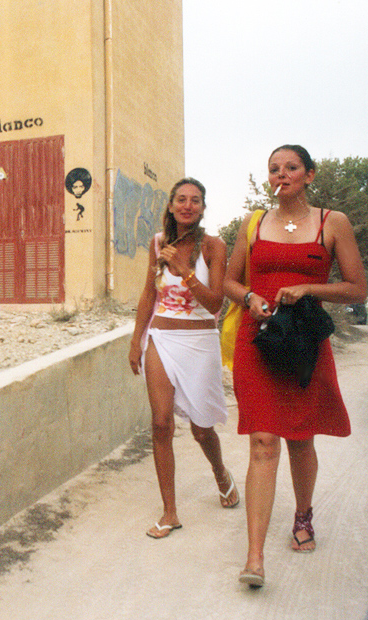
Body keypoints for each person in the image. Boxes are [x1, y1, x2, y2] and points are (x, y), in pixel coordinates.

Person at [224, 145, 367, 588]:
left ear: (308, 174)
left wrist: (308, 287)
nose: (280, 174)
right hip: (259, 340)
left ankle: (303, 515)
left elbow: (358, 288)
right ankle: (254, 558)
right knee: (263, 441)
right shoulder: (254, 223)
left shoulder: (332, 222)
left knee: (300, 439)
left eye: (290, 167)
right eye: (273, 169)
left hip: (304, 342)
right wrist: (249, 297)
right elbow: (230, 280)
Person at [129, 177, 239, 539]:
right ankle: (170, 512)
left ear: (203, 208)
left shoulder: (213, 246)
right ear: (172, 205)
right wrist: (136, 340)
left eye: (195, 200)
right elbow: (149, 294)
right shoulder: (158, 243)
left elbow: (215, 304)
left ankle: (220, 472)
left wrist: (186, 272)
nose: (187, 205)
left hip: (199, 340)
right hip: (161, 338)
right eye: (181, 199)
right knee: (160, 423)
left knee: (201, 428)